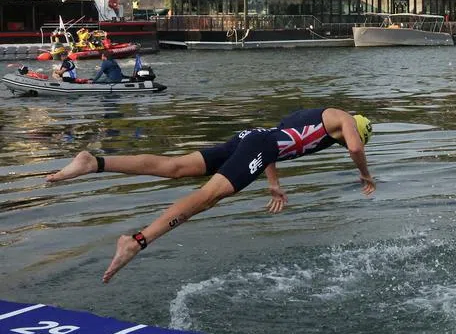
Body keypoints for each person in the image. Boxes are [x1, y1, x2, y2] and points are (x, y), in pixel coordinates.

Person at [45, 108, 375, 283]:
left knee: (174, 167)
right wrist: (364, 173)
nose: (345, 143)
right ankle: (137, 241)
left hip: (251, 139)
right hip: (258, 145)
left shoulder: (311, 118)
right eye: (346, 139)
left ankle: (95, 162)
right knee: (207, 197)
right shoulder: (341, 117)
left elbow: (273, 140)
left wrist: (273, 182)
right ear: (356, 127)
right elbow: (356, 147)